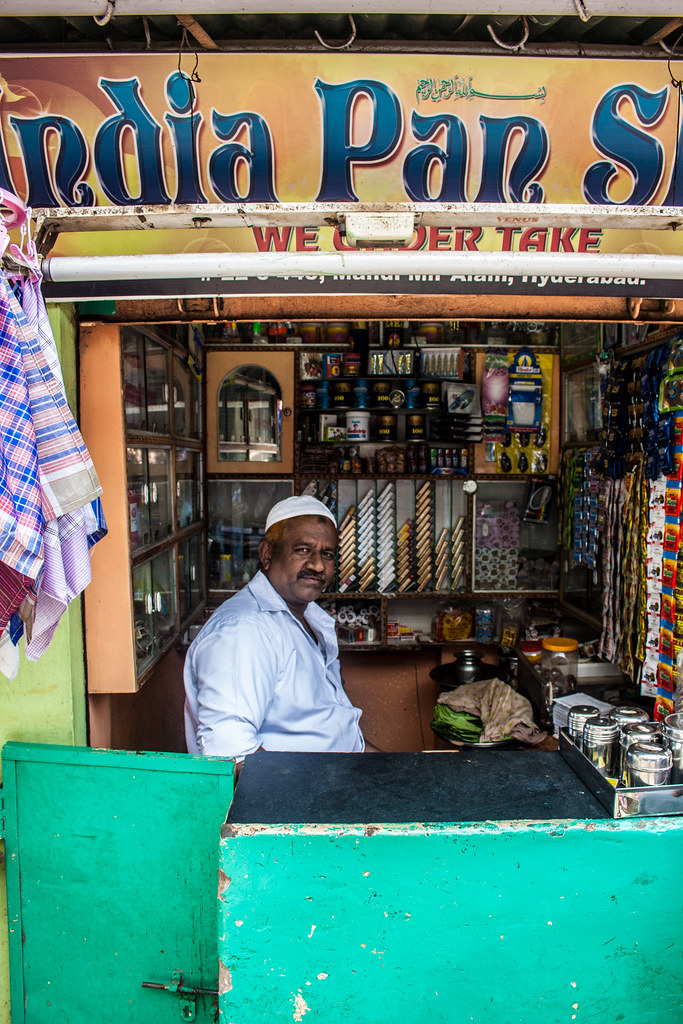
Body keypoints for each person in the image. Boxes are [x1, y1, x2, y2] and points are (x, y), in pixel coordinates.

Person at [184, 494, 370, 761]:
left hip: (334, 782)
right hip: (293, 796)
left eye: (327, 554)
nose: (318, 565)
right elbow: (232, 752)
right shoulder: (244, 631)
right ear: (268, 555)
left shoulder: (308, 618)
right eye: (303, 550)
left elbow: (335, 724)